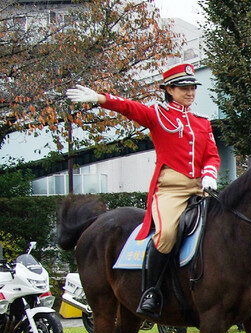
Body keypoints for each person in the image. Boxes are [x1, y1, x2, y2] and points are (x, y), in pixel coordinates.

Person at [65, 64, 220, 317]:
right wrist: (100, 99)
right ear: (169, 89)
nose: (190, 92)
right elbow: (128, 107)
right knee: (167, 234)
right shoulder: (158, 115)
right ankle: (151, 292)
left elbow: (212, 155)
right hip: (170, 188)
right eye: (184, 88)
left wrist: (210, 174)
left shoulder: (202, 122)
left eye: (192, 87)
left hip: (200, 187)